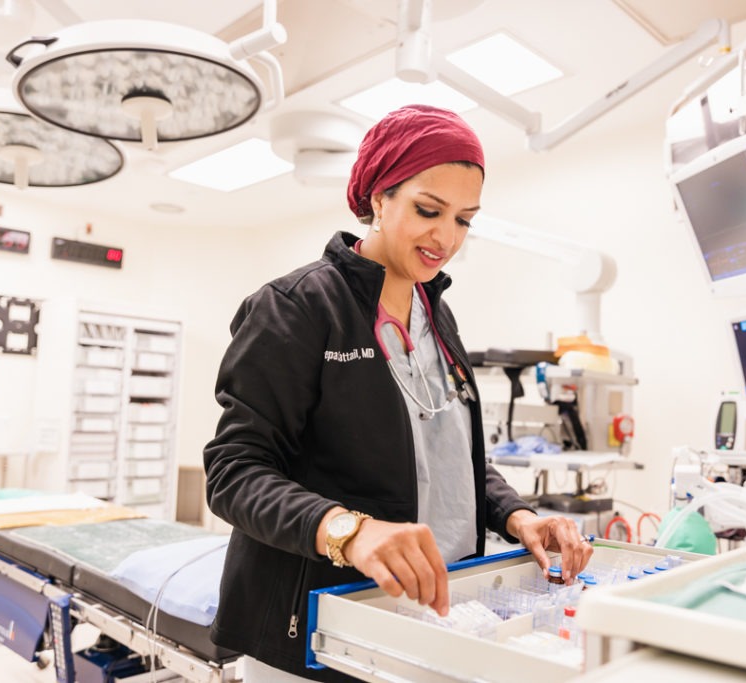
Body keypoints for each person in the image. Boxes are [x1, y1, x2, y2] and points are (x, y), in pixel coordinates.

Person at [204, 104, 593, 682]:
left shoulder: (437, 315)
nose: (446, 238)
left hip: (428, 619)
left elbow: (447, 455)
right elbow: (233, 472)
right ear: (379, 200)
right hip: (315, 635)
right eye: (428, 210)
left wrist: (516, 515)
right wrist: (350, 530)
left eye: (464, 219)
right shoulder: (296, 309)